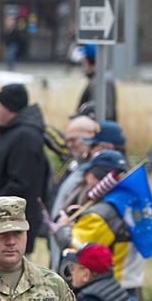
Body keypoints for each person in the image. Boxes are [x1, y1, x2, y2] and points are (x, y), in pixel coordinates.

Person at [59, 150, 144, 300]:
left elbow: (77, 246)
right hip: (131, 286)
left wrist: (63, 227)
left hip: (107, 292)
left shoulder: (101, 214)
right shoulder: (134, 205)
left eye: (88, 173)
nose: (86, 178)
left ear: (95, 177)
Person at [0, 85, 50, 252]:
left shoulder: (25, 136)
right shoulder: (13, 133)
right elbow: (0, 173)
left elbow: (21, 184)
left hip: (8, 230)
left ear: (9, 107)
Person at [47, 115, 98, 271]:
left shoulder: (96, 171)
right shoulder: (74, 165)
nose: (69, 145)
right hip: (60, 239)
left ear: (90, 137)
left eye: (73, 140)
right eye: (67, 140)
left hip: (76, 246)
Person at [76, 45, 117, 121]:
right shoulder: (97, 79)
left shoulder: (101, 81)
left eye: (83, 60)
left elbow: (104, 113)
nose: (82, 64)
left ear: (88, 61)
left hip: (97, 130)